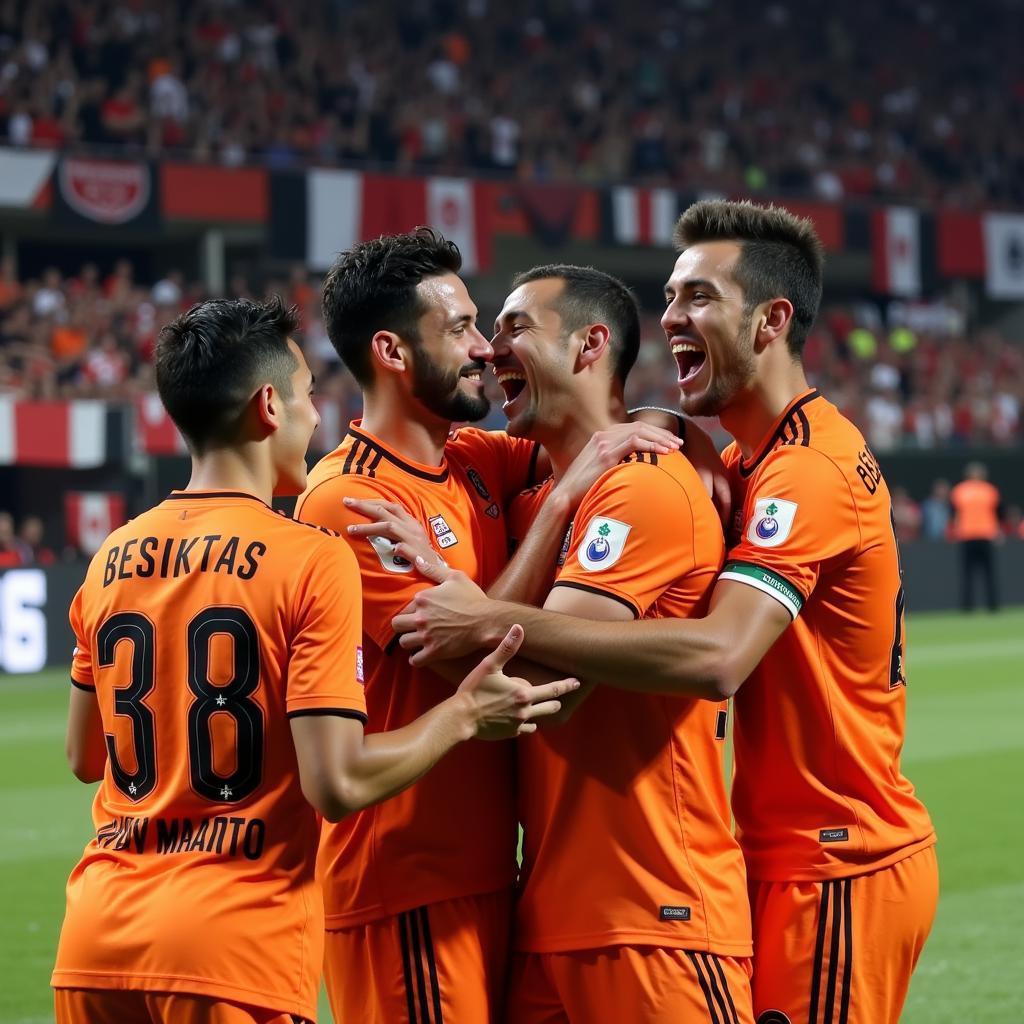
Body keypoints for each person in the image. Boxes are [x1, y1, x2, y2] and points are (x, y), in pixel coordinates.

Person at [397, 201, 937, 1024]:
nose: (672, 318)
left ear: (772, 320)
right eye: (671, 298)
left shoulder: (808, 470)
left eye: (698, 298)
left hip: (839, 855)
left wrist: (484, 622)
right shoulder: (745, 459)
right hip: (767, 856)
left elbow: (720, 658)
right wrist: (663, 421)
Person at [50, 295, 576, 1024]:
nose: (314, 419)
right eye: (303, 397)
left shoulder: (111, 556)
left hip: (95, 941)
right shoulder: (308, 557)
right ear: (269, 406)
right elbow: (339, 781)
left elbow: (84, 755)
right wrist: (462, 715)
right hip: (232, 945)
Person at [295, 229, 677, 1024]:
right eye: (461, 328)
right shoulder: (350, 501)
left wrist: (677, 430)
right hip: (405, 885)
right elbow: (485, 674)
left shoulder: (475, 457)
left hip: (489, 877)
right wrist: (562, 505)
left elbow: (585, 424)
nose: (483, 347)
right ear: (394, 353)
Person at [485, 264, 753, 1022]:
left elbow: (548, 692)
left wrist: (469, 622)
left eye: (515, 328)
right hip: (549, 918)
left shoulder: (644, 481)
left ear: (589, 344)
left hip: (656, 915)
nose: (488, 349)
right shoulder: (531, 491)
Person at [950, 461, 1002, 611]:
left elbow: (996, 513)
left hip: (984, 534)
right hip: (968, 534)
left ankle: (990, 605)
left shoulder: (986, 490)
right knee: (971, 574)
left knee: (986, 573)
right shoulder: (965, 490)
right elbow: (955, 513)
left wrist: (996, 531)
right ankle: (969, 606)